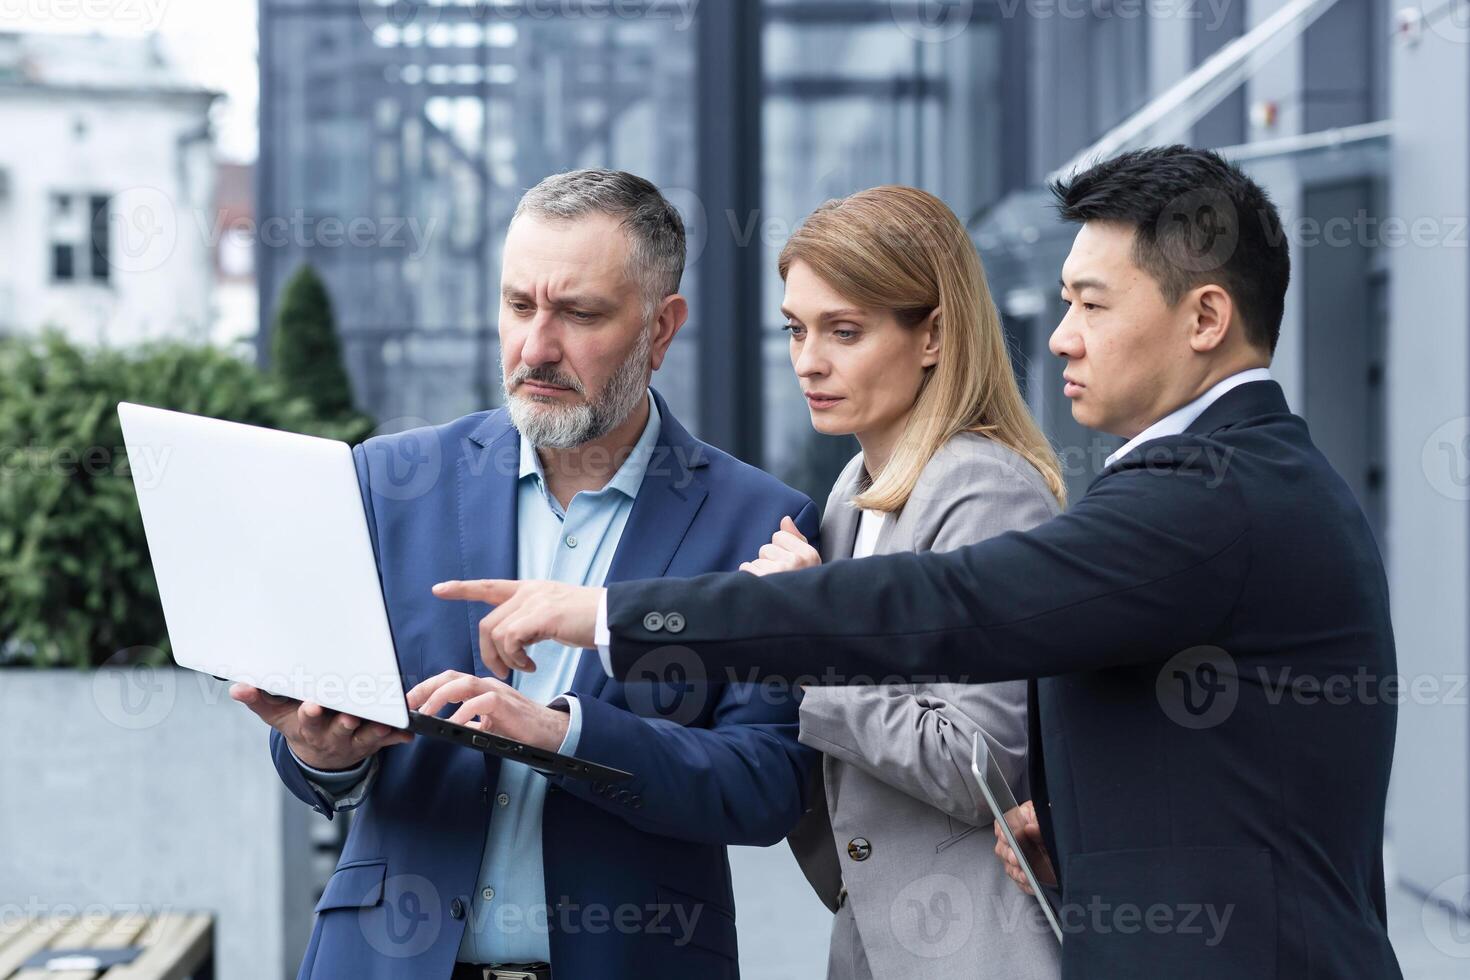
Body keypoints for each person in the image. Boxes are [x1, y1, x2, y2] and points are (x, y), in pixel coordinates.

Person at [441, 147, 1404, 979]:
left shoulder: (1204, 492)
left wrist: (611, 615)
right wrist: (1060, 817)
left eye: (1091, 303)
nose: (1062, 333)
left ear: (1203, 319)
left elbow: (961, 610)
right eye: (796, 329)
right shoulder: (1212, 479)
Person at [231, 169, 821, 980]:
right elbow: (319, 752)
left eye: (579, 313)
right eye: (518, 306)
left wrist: (560, 733)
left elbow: (765, 786)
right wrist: (321, 753)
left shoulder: (757, 521)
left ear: (661, 328)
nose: (535, 348)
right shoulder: (385, 481)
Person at [735, 185, 1063, 979]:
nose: (808, 360)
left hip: (977, 948)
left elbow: (977, 761)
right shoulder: (855, 485)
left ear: (934, 336)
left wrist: (811, 632)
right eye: (796, 329)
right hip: (879, 935)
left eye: (844, 331)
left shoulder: (986, 488)